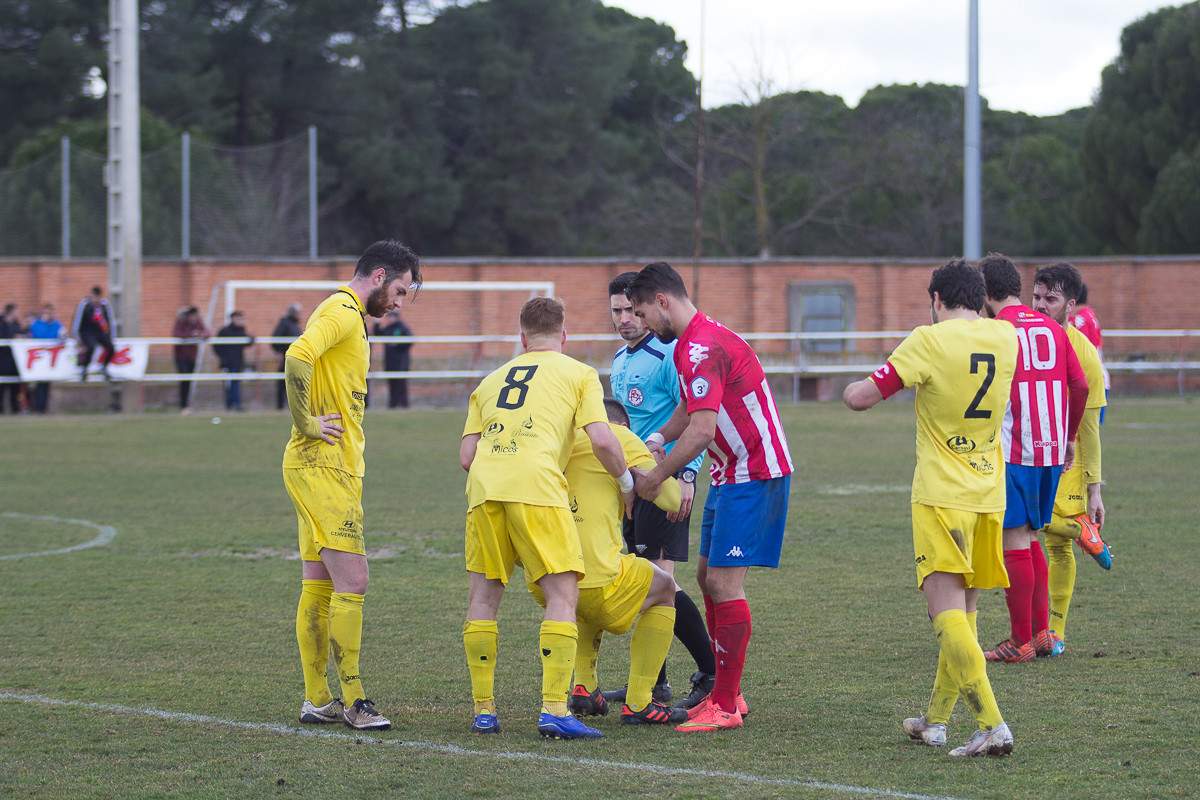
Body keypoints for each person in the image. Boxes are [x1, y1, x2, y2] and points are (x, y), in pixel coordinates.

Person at [843, 257, 1018, 757]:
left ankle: (991, 724)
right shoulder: (1006, 338)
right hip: (988, 495)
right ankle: (935, 721)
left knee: (946, 614)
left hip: (942, 495)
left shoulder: (928, 340)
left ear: (937, 299)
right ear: (981, 299)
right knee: (964, 611)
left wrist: (849, 388)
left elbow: (862, 397)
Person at [625, 261, 793, 733]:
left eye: (642, 312)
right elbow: (689, 407)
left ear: (662, 301)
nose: (640, 323)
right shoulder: (688, 343)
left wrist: (656, 477)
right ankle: (726, 694)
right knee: (705, 578)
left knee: (722, 584)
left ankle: (725, 704)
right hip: (729, 472)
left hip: (754, 471)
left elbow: (701, 430)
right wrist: (657, 437)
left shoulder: (701, 346)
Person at [459, 296, 633, 740]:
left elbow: (466, 456)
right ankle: (554, 709)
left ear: (522, 338)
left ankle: (484, 711)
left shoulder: (489, 381)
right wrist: (627, 482)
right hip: (536, 486)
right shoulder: (580, 373)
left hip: (484, 488)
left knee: (483, 600)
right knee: (562, 594)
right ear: (564, 335)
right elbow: (603, 440)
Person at [285, 239, 421, 732]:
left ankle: (317, 698)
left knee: (319, 583)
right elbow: (296, 357)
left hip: (323, 466)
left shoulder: (348, 316)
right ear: (379, 276)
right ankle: (354, 699)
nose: (399, 303)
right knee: (354, 580)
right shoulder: (342, 311)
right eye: (400, 291)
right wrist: (306, 422)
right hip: (323, 465)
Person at [602, 272, 715, 711]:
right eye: (617, 311)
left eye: (631, 310)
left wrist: (687, 475)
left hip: (665, 482)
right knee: (646, 584)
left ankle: (710, 672)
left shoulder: (669, 354)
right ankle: (653, 684)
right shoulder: (620, 359)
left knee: (661, 583)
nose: (625, 319)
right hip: (634, 485)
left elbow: (693, 415)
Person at [539, 398, 687, 726]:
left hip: (547, 574)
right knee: (665, 588)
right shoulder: (619, 435)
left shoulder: (560, 434)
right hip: (595, 578)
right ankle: (640, 702)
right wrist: (650, 463)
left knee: (582, 587)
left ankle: (584, 687)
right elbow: (672, 499)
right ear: (621, 425)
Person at [978, 252, 1088, 664]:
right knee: (1030, 538)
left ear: (986, 293)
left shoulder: (996, 330)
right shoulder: (1054, 328)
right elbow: (1079, 386)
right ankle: (1041, 634)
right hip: (1051, 450)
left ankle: (1019, 641)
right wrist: (1069, 437)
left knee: (1014, 541)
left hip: (1014, 449)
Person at [1033, 263, 1112, 651]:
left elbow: (1091, 427)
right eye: (1036, 297)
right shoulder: (1024, 339)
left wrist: (1095, 489)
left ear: (1071, 305)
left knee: (1048, 538)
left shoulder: (1085, 354)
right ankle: (1080, 531)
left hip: (1069, 454)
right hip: (1031, 448)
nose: (1041, 305)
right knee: (1029, 525)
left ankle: (1057, 632)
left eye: (1051, 298)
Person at [1071, 283, 1111, 424]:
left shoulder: (1079, 320)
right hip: (1099, 376)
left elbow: (1079, 352)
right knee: (1091, 428)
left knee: (1082, 429)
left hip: (1089, 379)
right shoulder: (1089, 314)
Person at [71, 286, 116, 382]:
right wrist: (76, 335)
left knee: (111, 348)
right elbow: (77, 319)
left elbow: (110, 320)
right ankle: (84, 368)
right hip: (87, 331)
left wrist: (111, 336)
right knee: (91, 347)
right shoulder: (85, 305)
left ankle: (104, 367)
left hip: (100, 332)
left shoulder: (104, 305)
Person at [172, 306, 210, 415]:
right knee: (184, 379)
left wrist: (201, 334)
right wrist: (192, 334)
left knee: (189, 381)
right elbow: (177, 334)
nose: (193, 318)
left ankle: (187, 405)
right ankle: (183, 405)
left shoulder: (198, 323)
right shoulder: (181, 323)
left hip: (192, 357)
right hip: (181, 356)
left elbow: (207, 333)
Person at [214, 310, 254, 411]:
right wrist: (223, 358)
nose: (239, 321)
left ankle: (236, 403)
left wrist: (250, 339)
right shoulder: (224, 331)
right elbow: (217, 346)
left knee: (236, 382)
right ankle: (231, 403)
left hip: (238, 361)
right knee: (228, 384)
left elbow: (244, 344)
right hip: (227, 362)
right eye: (237, 318)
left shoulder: (241, 331)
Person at [29, 304, 65, 413]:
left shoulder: (56, 324)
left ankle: (44, 407)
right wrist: (44, 323)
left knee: (46, 383)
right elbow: (39, 336)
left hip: (50, 358)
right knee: (39, 383)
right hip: (39, 357)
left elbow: (59, 337)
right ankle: (38, 407)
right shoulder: (36, 324)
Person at [374, 310, 413, 408]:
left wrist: (398, 344)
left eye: (391, 317)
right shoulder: (389, 328)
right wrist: (377, 323)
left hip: (401, 362)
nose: (389, 319)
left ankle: (403, 405)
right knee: (392, 384)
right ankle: (393, 405)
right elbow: (378, 334)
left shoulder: (402, 328)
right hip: (390, 361)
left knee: (401, 385)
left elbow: (409, 341)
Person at [272, 303, 304, 410]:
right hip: (286, 357)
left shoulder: (294, 324)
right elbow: (276, 339)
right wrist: (279, 352)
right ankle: (280, 405)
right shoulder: (285, 324)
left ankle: (290, 405)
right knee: (283, 381)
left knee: (292, 381)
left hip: (294, 357)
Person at [0, 304, 21, 413]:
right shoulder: (1, 324)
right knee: (1, 386)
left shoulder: (16, 324)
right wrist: (13, 337)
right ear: (11, 312)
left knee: (15, 387)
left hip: (15, 361)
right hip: (2, 360)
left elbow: (21, 333)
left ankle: (15, 409)